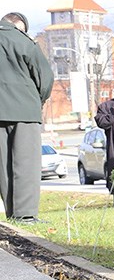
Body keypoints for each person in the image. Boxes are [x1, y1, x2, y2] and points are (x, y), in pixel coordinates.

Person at [0, 12, 54, 223]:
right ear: (18, 26)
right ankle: (25, 214)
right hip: (25, 110)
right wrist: (37, 100)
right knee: (26, 163)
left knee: (3, 165)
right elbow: (45, 78)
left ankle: (12, 213)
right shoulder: (24, 41)